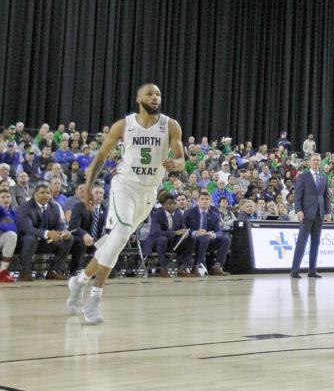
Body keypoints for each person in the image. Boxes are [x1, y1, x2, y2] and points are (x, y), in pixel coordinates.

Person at [67, 84, 186, 323]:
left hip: (149, 192)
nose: (155, 98)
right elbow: (101, 156)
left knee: (114, 243)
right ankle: (94, 298)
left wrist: (176, 165)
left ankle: (78, 281)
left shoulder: (170, 125)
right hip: (125, 186)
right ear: (139, 97)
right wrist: (88, 187)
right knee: (120, 236)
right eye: (150, 94)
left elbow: (182, 159)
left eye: (159, 94)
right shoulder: (124, 125)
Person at [17, 181, 73, 281]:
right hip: (28, 241)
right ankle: (25, 271)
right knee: (30, 239)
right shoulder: (25, 207)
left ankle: (54, 271)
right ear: (35, 194)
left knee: (69, 238)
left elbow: (59, 226)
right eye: (42, 193)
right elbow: (27, 229)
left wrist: (63, 233)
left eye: (48, 193)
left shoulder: (54, 207)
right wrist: (47, 233)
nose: (45, 195)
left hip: (46, 242)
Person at [290, 153, 333, 279]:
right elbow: (298, 196)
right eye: (314, 160)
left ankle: (312, 270)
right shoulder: (303, 176)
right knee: (301, 242)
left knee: (316, 242)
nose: (316, 162)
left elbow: (326, 197)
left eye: (318, 160)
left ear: (321, 162)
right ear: (309, 162)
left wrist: (328, 212)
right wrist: (299, 210)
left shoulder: (324, 177)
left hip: (319, 214)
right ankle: (295, 270)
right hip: (306, 214)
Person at [183, 190, 231, 276]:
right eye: (202, 199)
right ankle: (197, 266)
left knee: (226, 239)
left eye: (207, 199)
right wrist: (195, 232)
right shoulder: (189, 213)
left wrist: (213, 235)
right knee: (203, 239)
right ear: (197, 201)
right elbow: (183, 229)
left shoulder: (214, 215)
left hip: (209, 239)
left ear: (210, 202)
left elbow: (219, 231)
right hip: (193, 240)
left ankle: (217, 266)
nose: (204, 201)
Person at [66, 185, 108, 276]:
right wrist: (84, 234)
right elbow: (73, 226)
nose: (99, 195)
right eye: (96, 192)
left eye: (101, 193)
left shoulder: (106, 208)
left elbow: (108, 226)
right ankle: (75, 270)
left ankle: (106, 270)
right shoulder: (80, 206)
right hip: (82, 238)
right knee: (81, 241)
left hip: (98, 239)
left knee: (111, 241)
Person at [0, 189, 18, 281]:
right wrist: (6, 226)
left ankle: (3, 271)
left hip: (3, 239)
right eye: (3, 197)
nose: (6, 199)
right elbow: (10, 226)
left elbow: (14, 228)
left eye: (8, 197)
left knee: (12, 235)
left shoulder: (15, 213)